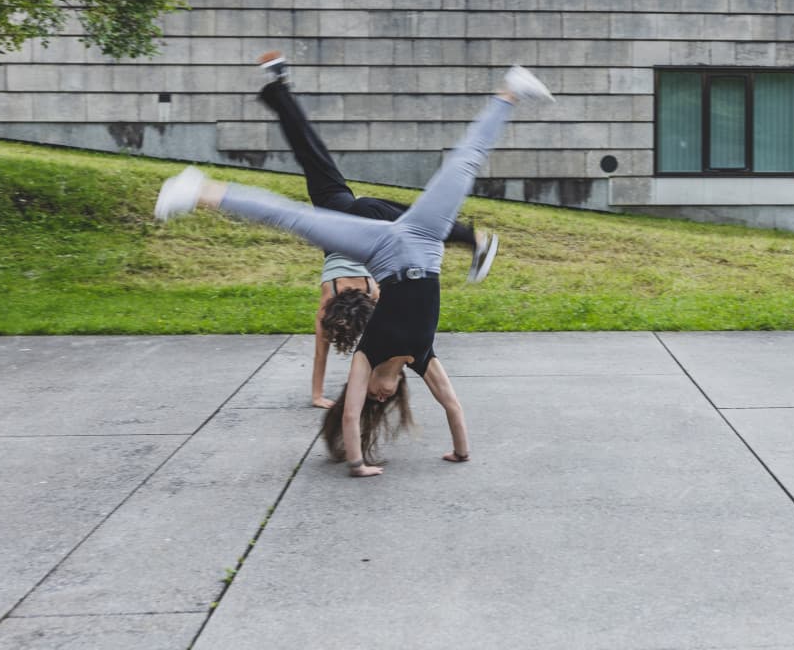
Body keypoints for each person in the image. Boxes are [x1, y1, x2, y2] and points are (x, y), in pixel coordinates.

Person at [154, 65, 553, 477]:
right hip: (427, 240)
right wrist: (461, 451)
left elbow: (350, 414)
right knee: (463, 165)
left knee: (297, 220)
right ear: (398, 388)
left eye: (372, 401)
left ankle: (200, 190)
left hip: (380, 251)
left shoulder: (367, 355)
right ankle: (510, 92)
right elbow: (451, 404)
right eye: (385, 398)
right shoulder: (423, 359)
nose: (378, 397)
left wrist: (357, 463)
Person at [254, 51, 497, 408]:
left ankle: (280, 90)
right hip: (347, 214)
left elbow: (407, 303)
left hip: (351, 213)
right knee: (315, 158)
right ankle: (280, 89)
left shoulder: (372, 295)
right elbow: (329, 354)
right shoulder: (337, 298)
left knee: (414, 221)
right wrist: (319, 395)